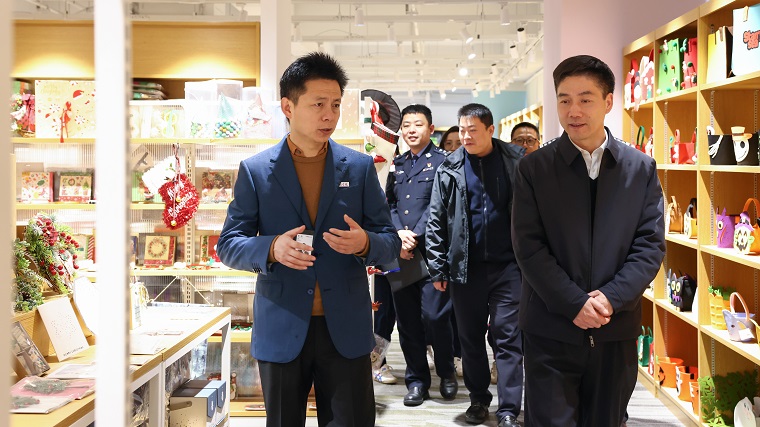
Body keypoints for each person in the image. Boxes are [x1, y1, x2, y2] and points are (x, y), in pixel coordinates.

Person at [216, 52, 401, 427]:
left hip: (345, 328)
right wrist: (271, 248)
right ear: (288, 106)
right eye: (318, 104)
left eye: (335, 105)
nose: (329, 115)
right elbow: (229, 244)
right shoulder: (256, 171)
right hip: (282, 325)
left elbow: (390, 242)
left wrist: (365, 243)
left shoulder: (359, 167)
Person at [511, 54, 665, 427]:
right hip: (550, 327)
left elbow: (649, 246)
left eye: (585, 99)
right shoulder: (534, 168)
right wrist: (573, 303)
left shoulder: (639, 168)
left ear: (608, 101)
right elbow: (528, 247)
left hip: (615, 328)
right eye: (564, 100)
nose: (573, 111)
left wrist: (611, 297)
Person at [427, 103, 524, 427]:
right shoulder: (449, 167)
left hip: (509, 267)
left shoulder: (516, 161)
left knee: (508, 338)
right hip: (464, 268)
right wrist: (438, 267)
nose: (465, 136)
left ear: (490, 130)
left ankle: (509, 409)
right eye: (462, 130)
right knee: (469, 339)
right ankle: (479, 399)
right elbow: (436, 219)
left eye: (473, 130)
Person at [384, 104, 457, 406]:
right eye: (406, 125)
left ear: (431, 128)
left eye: (418, 124)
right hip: (400, 252)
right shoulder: (396, 163)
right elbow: (388, 203)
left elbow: (442, 205)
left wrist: (414, 234)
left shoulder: (444, 161)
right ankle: (416, 381)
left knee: (436, 316)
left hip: (432, 252)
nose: (411, 130)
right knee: (407, 321)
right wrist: (399, 233)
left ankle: (447, 371)